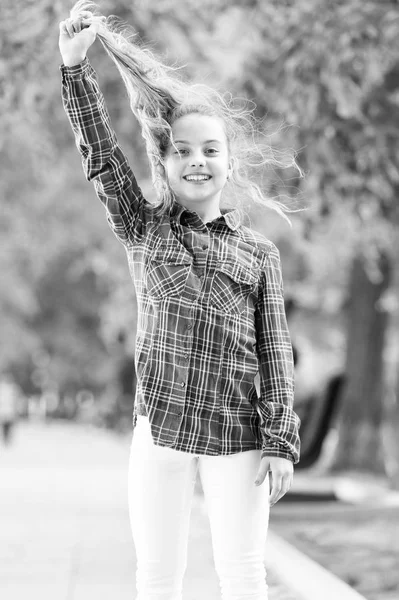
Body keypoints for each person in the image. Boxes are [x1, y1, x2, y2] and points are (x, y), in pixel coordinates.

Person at [58, 3, 302, 599]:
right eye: (183, 151)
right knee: (157, 577)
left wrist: (280, 442)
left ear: (228, 161)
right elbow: (102, 159)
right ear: (165, 163)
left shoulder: (258, 254)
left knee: (242, 574)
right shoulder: (145, 231)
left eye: (210, 150)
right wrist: (73, 68)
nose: (197, 160)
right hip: (160, 432)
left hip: (237, 437)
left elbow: (276, 353)